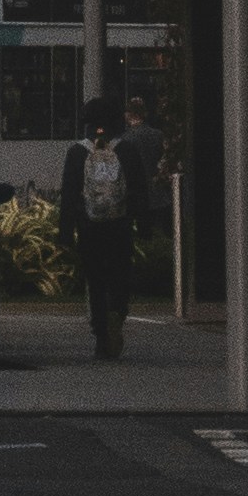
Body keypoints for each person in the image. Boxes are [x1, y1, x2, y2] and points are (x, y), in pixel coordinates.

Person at [72, 92, 162, 362]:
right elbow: (138, 191)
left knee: (96, 282)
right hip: (119, 228)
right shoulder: (126, 151)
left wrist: (66, 231)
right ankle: (117, 314)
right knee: (120, 278)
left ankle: (101, 337)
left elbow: (69, 194)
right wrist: (144, 225)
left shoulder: (78, 152)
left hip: (90, 229)